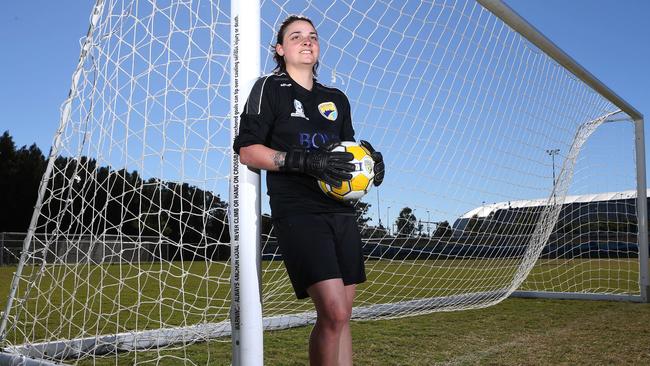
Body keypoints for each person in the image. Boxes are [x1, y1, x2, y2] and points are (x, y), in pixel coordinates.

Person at [233, 15, 384, 365]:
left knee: (343, 314)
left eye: (312, 36)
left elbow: (348, 152)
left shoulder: (337, 99)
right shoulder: (269, 88)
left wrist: (370, 164)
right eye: (296, 36)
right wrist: (306, 162)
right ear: (280, 49)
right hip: (299, 211)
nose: (306, 41)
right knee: (332, 311)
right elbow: (248, 150)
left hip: (341, 212)